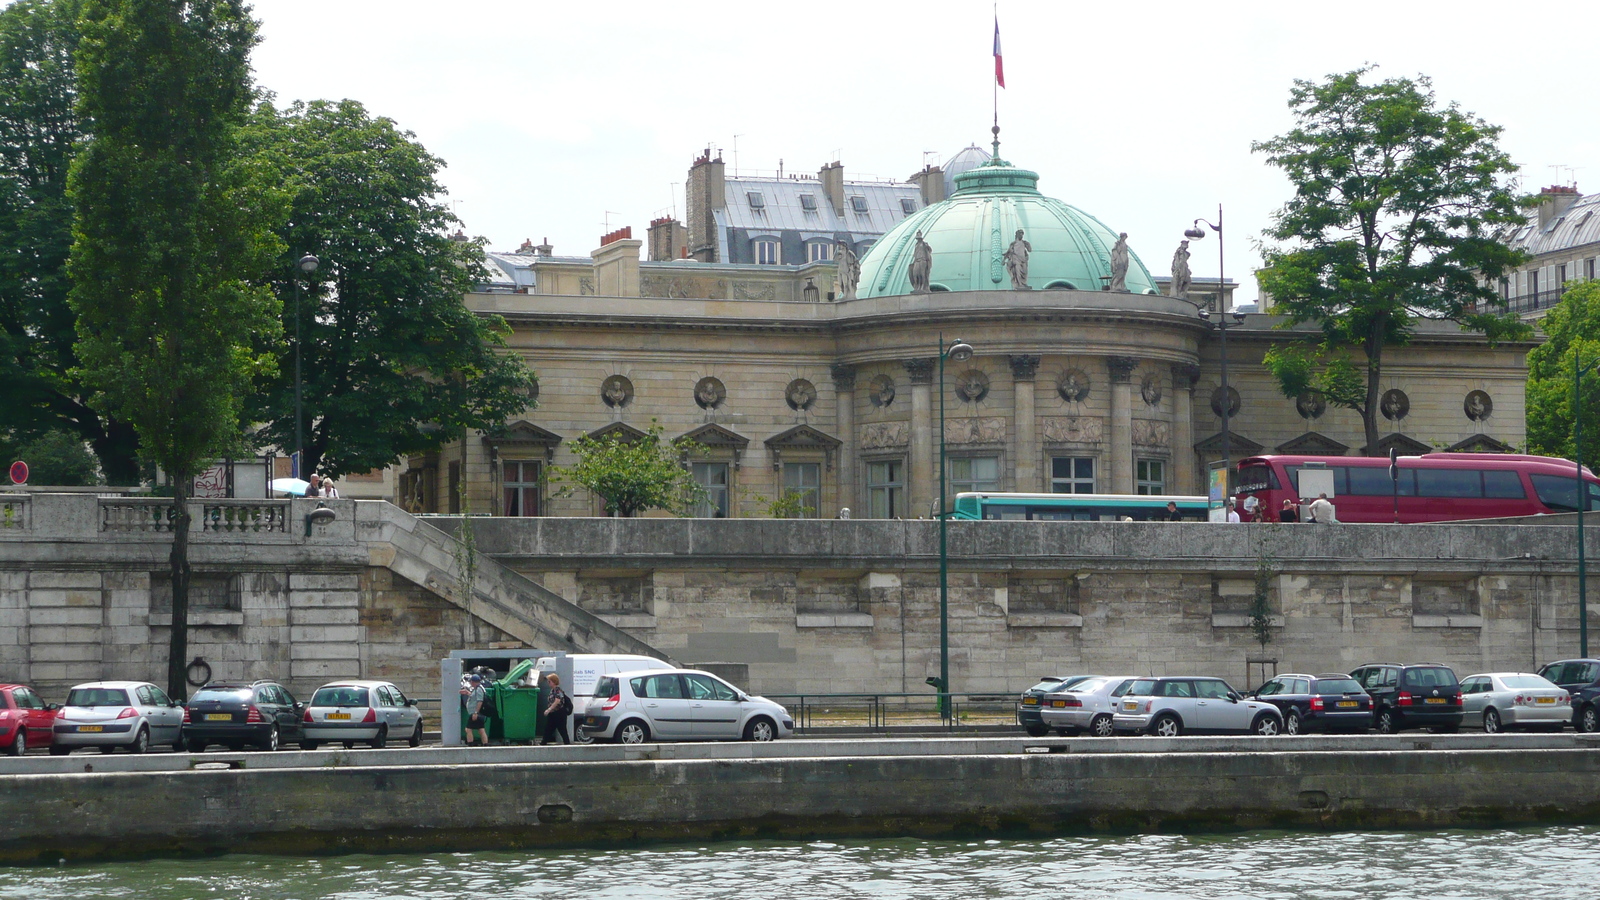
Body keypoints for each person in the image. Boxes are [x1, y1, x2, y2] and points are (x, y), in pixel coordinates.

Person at [541, 673, 572, 746]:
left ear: (554, 681)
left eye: (549, 681)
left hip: (559, 713)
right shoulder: (552, 690)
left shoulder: (558, 690)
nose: (548, 683)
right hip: (553, 713)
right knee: (548, 728)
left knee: (562, 730)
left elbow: (557, 701)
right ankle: (543, 742)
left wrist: (549, 709)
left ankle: (568, 745)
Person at [463, 674, 490, 746]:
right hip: (478, 713)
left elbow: (479, 701)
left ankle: (471, 744)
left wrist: (475, 713)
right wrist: (468, 693)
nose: (470, 683)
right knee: (481, 729)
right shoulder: (478, 688)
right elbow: (475, 698)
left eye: (471, 682)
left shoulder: (478, 689)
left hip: (476, 713)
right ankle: (485, 744)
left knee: (468, 729)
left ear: (473, 682)